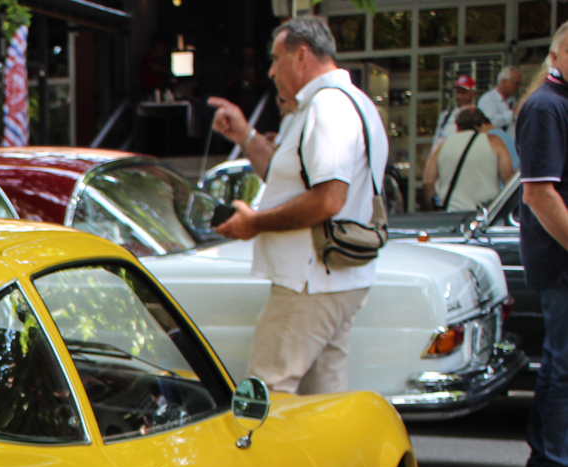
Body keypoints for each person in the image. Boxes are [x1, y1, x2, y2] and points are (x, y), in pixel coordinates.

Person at [208, 16, 388, 396]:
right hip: (332, 276)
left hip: (310, 279)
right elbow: (288, 175)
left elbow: (329, 198)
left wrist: (255, 222)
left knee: (266, 396)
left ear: (301, 56)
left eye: (276, 59)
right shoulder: (351, 103)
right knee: (321, 401)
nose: (271, 71)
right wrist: (245, 135)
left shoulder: (328, 107)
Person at [515, 23, 568, 467]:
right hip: (560, 260)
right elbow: (538, 193)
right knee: (562, 364)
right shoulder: (547, 106)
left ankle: (552, 464)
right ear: (555, 56)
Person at [423, 107, 512, 211]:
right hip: (484, 212)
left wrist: (434, 207)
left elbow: (428, 183)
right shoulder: (494, 143)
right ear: (481, 124)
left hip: (451, 212)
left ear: (457, 125)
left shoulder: (442, 145)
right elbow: (508, 178)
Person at [433, 75, 479, 141]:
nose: (459, 96)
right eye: (458, 92)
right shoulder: (445, 116)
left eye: (463, 93)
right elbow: (437, 141)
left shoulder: (479, 116)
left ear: (474, 93)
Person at [479, 66, 522, 133]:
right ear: (504, 81)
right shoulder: (487, 100)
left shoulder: (513, 100)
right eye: (516, 83)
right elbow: (490, 123)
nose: (518, 87)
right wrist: (512, 114)